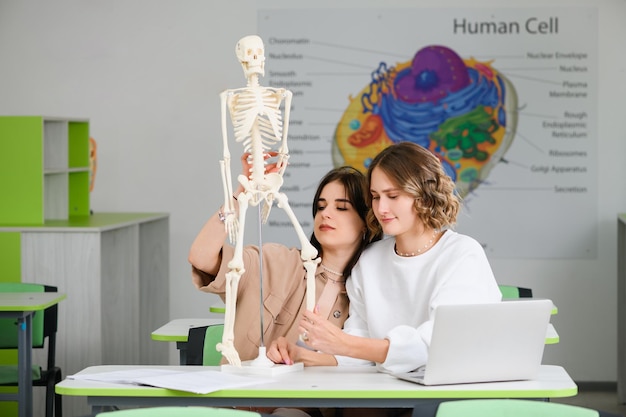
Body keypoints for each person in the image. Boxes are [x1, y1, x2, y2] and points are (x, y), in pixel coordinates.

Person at [266, 141, 502, 374]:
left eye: (393, 196)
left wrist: (344, 343)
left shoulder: (461, 254)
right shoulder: (370, 261)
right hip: (387, 393)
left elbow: (440, 346)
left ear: (424, 196)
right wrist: (302, 355)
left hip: (447, 392)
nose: (381, 209)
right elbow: (358, 351)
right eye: (376, 197)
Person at [189, 153, 382, 364]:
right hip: (249, 392)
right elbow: (201, 257)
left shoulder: (369, 291)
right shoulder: (278, 262)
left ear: (367, 221)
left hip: (320, 395)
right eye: (321, 206)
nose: (325, 214)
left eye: (341, 207)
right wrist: (239, 196)